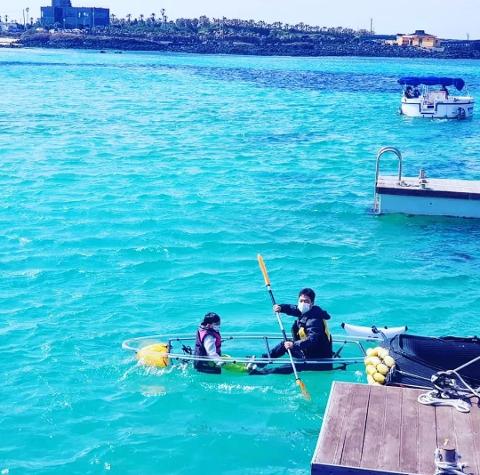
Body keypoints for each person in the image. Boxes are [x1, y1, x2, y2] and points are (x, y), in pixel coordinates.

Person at [248, 288, 333, 374]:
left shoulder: (314, 320)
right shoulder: (306, 311)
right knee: (283, 344)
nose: (303, 304)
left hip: (318, 361)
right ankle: (261, 362)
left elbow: (312, 340)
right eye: (301, 301)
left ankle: (257, 373)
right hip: (307, 353)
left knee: (287, 367)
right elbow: (292, 308)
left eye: (306, 301)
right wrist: (281, 308)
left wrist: (293, 345)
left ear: (312, 303)